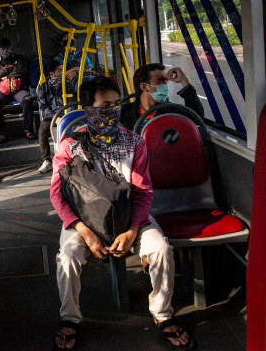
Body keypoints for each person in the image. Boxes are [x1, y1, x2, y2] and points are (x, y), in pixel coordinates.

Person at [50, 77, 194, 350]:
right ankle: (70, 317)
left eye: (116, 105)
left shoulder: (134, 143)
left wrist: (132, 230)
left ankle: (162, 313)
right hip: (83, 220)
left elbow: (142, 192)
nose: (112, 111)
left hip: (129, 217)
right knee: (68, 257)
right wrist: (84, 232)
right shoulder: (70, 145)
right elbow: (57, 194)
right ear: (88, 108)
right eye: (105, 105)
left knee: (161, 248)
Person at [120, 63, 204, 131]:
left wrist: (183, 81)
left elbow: (197, 120)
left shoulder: (172, 111)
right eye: (160, 80)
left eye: (166, 81)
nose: (165, 85)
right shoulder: (123, 113)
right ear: (144, 87)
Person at [0, 37, 35, 143]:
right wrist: (10, 69)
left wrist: (4, 75)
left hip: (18, 89)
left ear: (10, 47)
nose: (5, 50)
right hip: (3, 91)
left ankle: (28, 130)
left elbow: (22, 71)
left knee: (27, 99)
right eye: (2, 48)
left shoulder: (19, 58)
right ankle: (2, 133)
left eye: (7, 47)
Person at [36, 60, 65, 174]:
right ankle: (47, 160)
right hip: (52, 115)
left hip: (66, 112)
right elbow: (44, 107)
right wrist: (56, 117)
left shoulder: (66, 83)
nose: (62, 72)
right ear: (52, 73)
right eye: (60, 70)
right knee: (42, 131)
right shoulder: (43, 86)